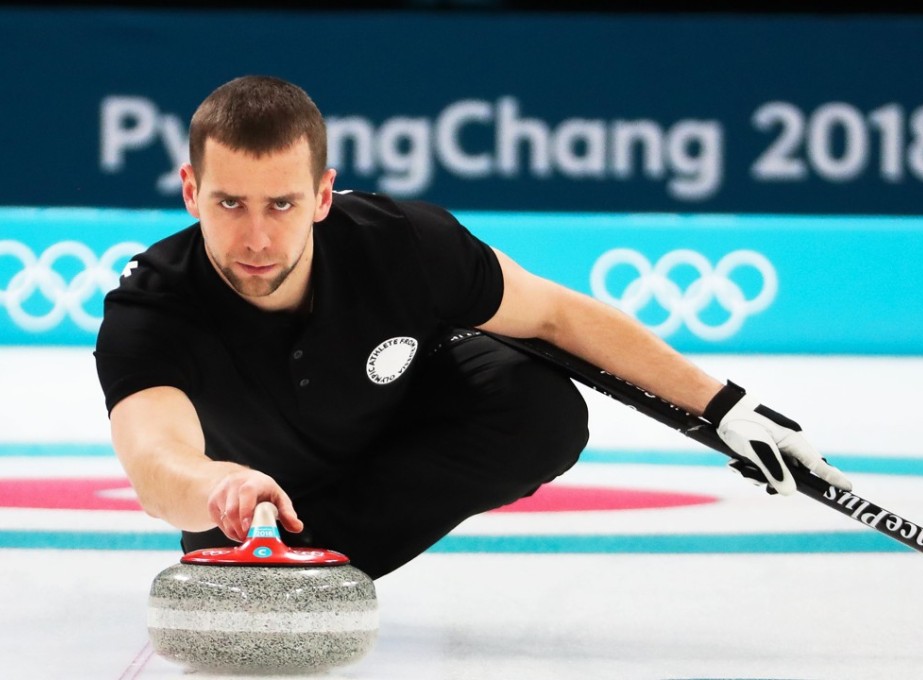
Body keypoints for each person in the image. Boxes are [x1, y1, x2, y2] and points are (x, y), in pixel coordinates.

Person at [94, 75, 851, 580]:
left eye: (282, 204)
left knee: (540, 406)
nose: (257, 238)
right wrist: (219, 486)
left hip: (396, 436)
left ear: (323, 194)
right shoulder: (152, 307)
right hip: (249, 504)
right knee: (226, 518)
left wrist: (724, 406)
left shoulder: (401, 242)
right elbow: (155, 461)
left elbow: (557, 314)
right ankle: (279, 549)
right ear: (190, 190)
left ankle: (319, 556)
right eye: (230, 204)